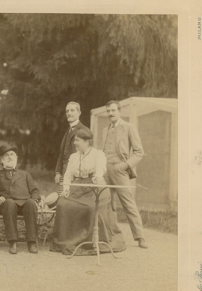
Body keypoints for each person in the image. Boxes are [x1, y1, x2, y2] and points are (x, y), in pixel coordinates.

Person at [49, 127, 126, 255]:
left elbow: (99, 173)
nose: (74, 143)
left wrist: (97, 182)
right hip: (77, 187)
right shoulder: (74, 156)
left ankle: (90, 241)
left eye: (77, 140)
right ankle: (67, 240)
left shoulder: (98, 155)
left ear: (86, 142)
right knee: (63, 204)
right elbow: (68, 175)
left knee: (91, 207)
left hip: (94, 187)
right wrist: (66, 188)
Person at [101, 100, 148, 248]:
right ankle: (111, 235)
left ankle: (140, 237)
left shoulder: (128, 127)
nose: (110, 113)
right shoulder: (104, 130)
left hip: (120, 170)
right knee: (107, 203)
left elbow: (139, 152)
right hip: (105, 171)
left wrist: (124, 166)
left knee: (128, 204)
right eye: (108, 111)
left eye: (113, 110)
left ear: (119, 111)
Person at [0, 145, 41, 254]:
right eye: (6, 155)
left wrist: (34, 199)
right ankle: (13, 242)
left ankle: (31, 242)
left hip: (24, 203)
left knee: (31, 203)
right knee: (9, 202)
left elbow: (35, 190)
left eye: (12, 154)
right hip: (7, 205)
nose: (10, 157)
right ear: (1, 160)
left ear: (17, 158)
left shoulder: (25, 174)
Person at [54, 102, 90, 185]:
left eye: (72, 110)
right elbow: (62, 154)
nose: (69, 113)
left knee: (74, 196)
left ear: (79, 113)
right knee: (63, 195)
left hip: (77, 175)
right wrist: (57, 172)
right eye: (67, 111)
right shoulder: (68, 131)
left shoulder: (85, 130)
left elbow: (86, 156)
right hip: (64, 172)